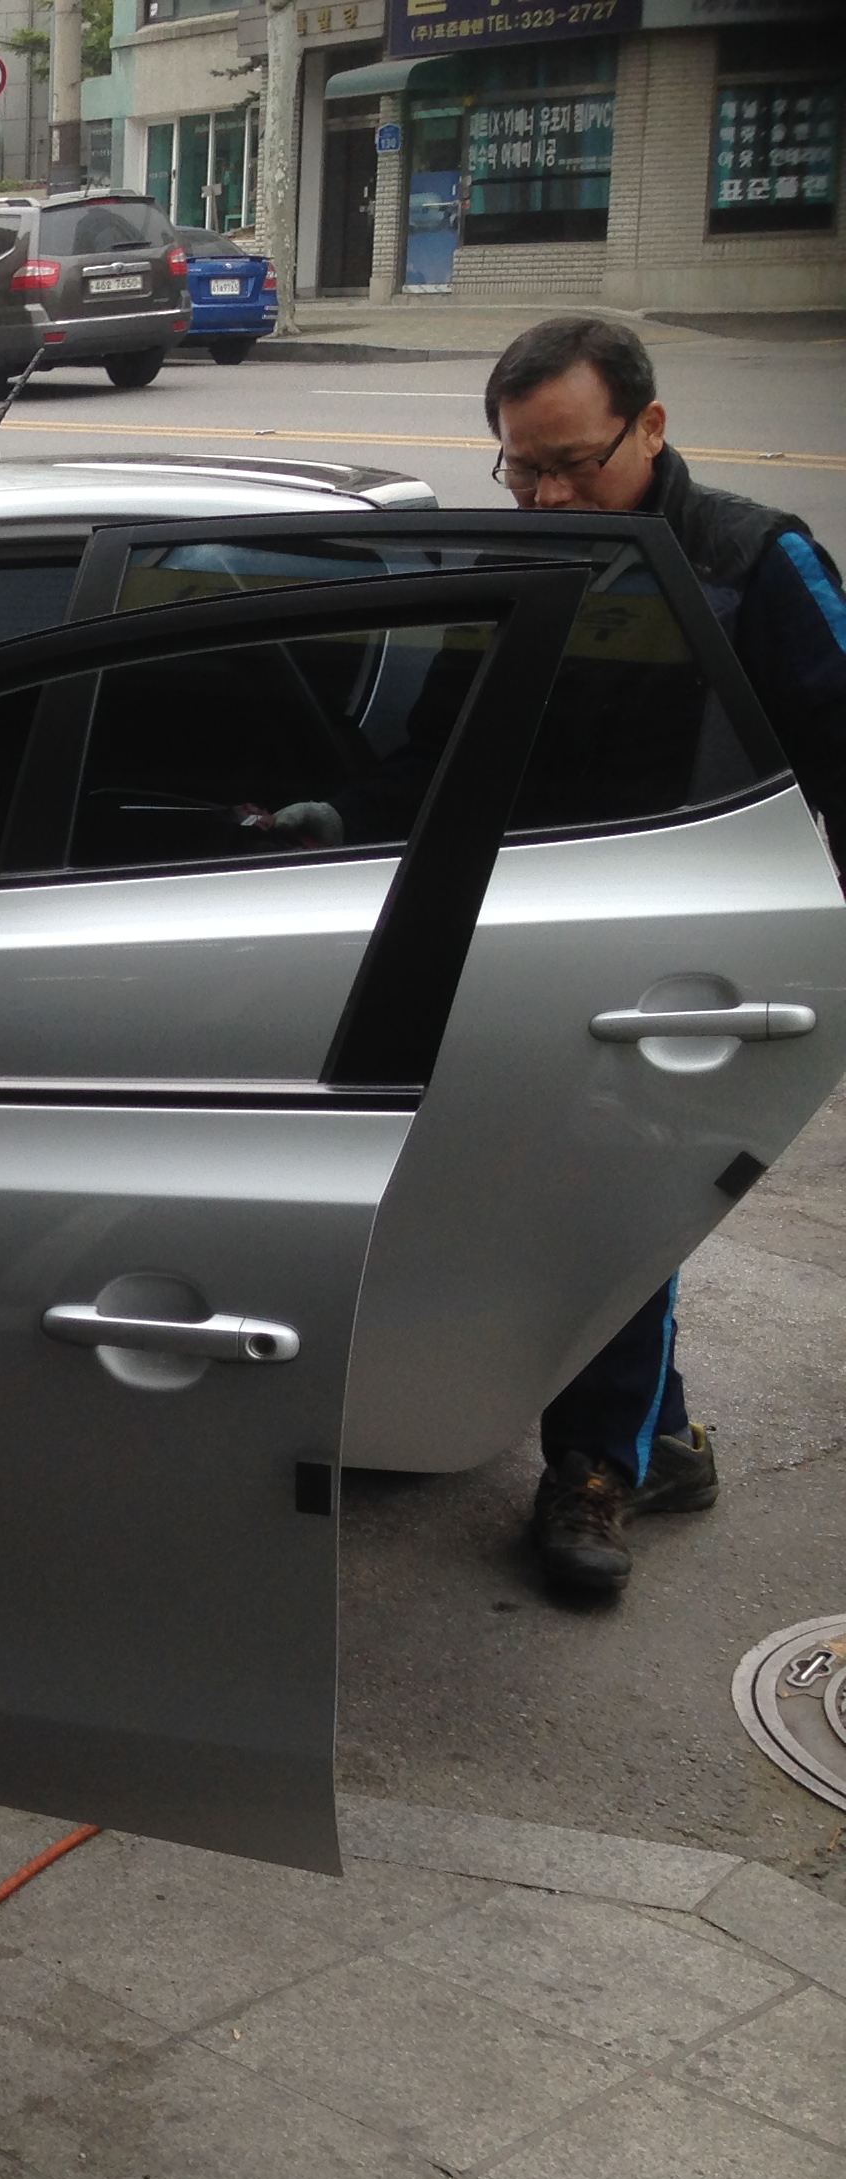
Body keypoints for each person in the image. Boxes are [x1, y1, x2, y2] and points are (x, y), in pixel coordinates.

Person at [484, 315, 846, 1594]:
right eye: (521, 468)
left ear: (650, 426)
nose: (546, 497)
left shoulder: (754, 561)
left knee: (616, 1198)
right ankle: (660, 1440)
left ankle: (594, 1469)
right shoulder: (519, 556)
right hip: (529, 931)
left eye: (572, 465)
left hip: (693, 955)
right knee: (542, 1194)